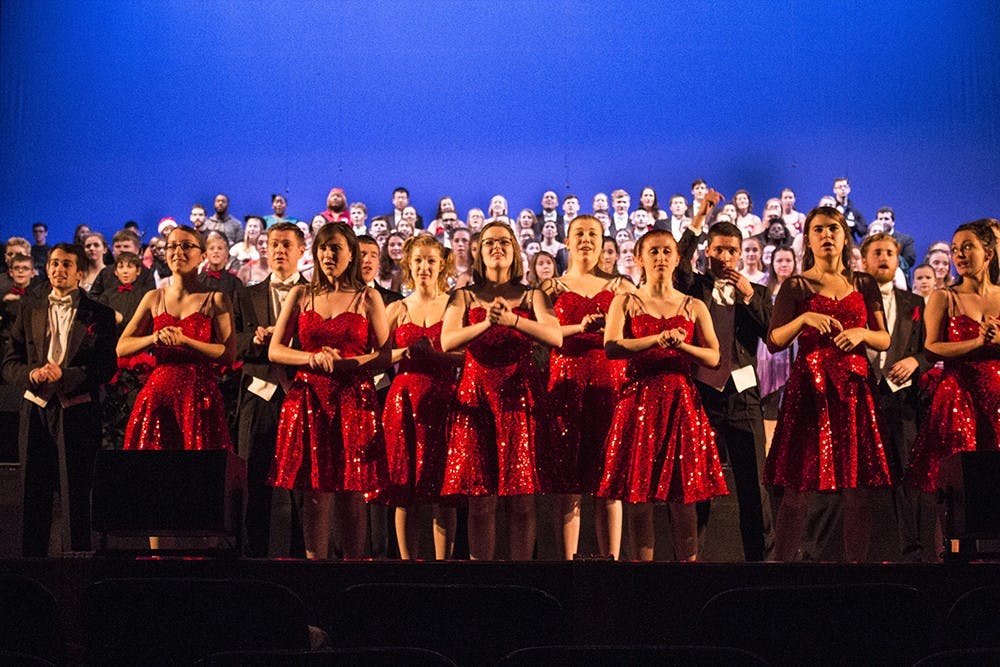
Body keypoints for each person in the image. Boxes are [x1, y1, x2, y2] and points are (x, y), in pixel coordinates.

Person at [764, 206, 891, 562]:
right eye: (818, 229)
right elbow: (774, 340)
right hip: (811, 389)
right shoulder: (796, 285)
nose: (826, 235)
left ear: (844, 235)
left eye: (833, 228)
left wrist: (862, 333)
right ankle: (781, 566)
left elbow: (884, 339)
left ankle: (855, 570)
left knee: (856, 488)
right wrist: (805, 317)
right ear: (808, 238)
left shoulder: (863, 283)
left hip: (852, 391)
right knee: (797, 487)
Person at [598, 229, 726, 561]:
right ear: (639, 258)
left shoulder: (693, 304)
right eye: (653, 251)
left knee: (684, 502)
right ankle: (643, 582)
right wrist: (655, 340)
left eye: (667, 251)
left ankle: (687, 580)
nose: (661, 258)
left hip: (680, 404)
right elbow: (611, 346)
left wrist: (681, 345)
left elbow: (714, 356)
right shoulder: (625, 301)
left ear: (678, 258)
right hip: (637, 402)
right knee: (638, 503)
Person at [267, 222, 390, 560]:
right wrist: (312, 358)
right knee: (315, 494)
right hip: (309, 400)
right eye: (322, 247)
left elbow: (384, 354)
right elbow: (275, 350)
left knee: (352, 494)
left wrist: (348, 364)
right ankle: (315, 575)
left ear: (351, 253)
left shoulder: (368, 296)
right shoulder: (302, 294)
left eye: (335, 248)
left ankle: (354, 575)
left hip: (354, 399)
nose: (327, 254)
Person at [440, 221, 562, 560]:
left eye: (504, 242)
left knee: (522, 499)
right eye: (489, 242)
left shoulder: (532, 295)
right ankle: (484, 577)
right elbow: (447, 340)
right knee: (480, 499)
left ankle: (520, 577)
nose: (497, 247)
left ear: (515, 250)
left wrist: (514, 321)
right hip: (476, 396)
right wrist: (487, 322)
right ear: (478, 251)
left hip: (519, 397)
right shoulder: (463, 295)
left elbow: (555, 336)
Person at [1, 243, 116, 555]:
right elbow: (9, 363)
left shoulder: (100, 315)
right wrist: (32, 374)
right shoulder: (30, 308)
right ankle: (33, 569)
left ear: (80, 273)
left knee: (76, 493)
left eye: (66, 264)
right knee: (32, 494)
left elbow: (106, 366)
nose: (58, 270)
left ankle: (77, 566)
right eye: (53, 263)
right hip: (36, 409)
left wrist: (66, 376)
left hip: (77, 410)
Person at [676, 209, 774, 563]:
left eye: (732, 250)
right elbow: (676, 265)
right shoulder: (694, 287)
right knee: (698, 486)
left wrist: (747, 295)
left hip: (744, 398)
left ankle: (759, 566)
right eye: (718, 250)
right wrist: (697, 219)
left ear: (743, 253)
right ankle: (692, 563)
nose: (725, 257)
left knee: (753, 488)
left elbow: (772, 336)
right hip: (702, 396)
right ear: (707, 252)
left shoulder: (759, 292)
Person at [541, 215, 634, 559]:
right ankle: (567, 566)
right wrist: (578, 328)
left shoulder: (622, 287)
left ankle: (611, 564)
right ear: (566, 241)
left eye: (592, 233)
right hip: (566, 385)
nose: (585, 239)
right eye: (578, 233)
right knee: (569, 484)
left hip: (610, 385)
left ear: (602, 241)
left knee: (609, 482)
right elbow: (544, 334)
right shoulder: (550, 288)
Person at [907, 220, 1000, 546]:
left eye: (967, 247)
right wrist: (977, 343)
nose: (959, 254)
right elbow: (932, 348)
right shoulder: (944, 297)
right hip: (958, 395)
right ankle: (947, 562)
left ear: (988, 252)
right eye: (955, 248)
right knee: (954, 486)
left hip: (997, 398)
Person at [118, 226, 236, 451]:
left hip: (200, 398)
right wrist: (154, 338)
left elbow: (228, 354)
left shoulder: (216, 299)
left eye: (186, 246)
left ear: (202, 256)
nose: (177, 252)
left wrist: (186, 342)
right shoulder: (153, 297)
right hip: (158, 398)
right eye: (172, 246)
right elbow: (122, 347)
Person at [383, 236, 461, 559]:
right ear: (408, 265)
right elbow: (377, 355)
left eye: (430, 260)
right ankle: (406, 565)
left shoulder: (455, 304)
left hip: (444, 401)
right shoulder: (397, 308)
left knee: (444, 491)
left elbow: (466, 355)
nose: (424, 267)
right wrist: (405, 352)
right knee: (405, 490)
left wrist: (435, 356)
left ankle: (443, 568)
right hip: (403, 402)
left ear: (441, 264)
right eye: (418, 261)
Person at [233, 221, 308, 557]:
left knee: (302, 483)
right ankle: (254, 557)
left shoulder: (314, 293)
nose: (279, 250)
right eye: (274, 244)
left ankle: (301, 556)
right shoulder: (247, 293)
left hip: (300, 393)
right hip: (258, 394)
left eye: (286, 244)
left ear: (301, 251)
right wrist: (256, 339)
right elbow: (232, 343)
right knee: (253, 478)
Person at [861, 232, 932, 561]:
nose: (884, 258)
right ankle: (858, 550)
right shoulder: (851, 299)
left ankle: (911, 549)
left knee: (905, 474)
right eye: (877, 252)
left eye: (890, 252)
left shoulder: (914, 304)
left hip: (901, 402)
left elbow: (928, 351)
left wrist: (914, 361)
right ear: (864, 260)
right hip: (859, 397)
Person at [758, 247, 797, 447]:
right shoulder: (763, 288)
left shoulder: (800, 287)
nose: (783, 265)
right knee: (769, 405)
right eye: (779, 260)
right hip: (768, 352)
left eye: (787, 260)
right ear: (772, 264)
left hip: (794, 349)